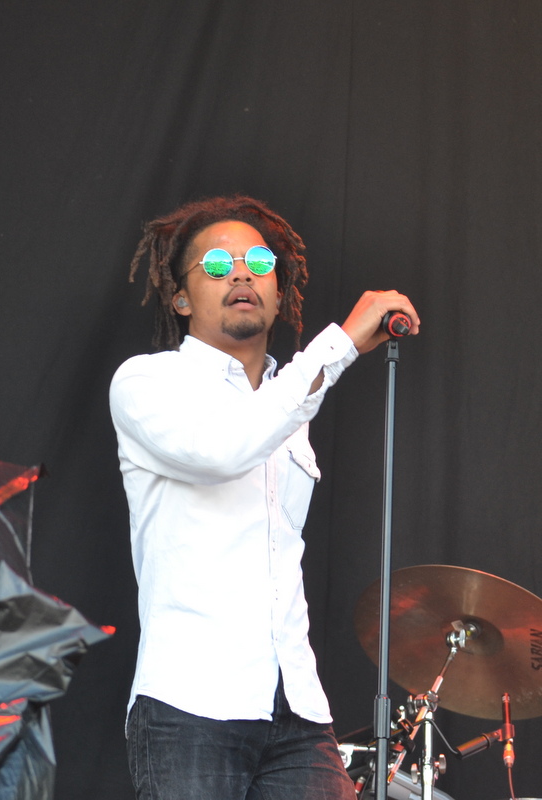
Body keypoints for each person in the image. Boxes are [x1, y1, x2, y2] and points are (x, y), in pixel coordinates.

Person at [109, 195, 420, 800]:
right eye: (217, 265)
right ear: (181, 299)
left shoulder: (289, 404)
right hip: (190, 705)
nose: (241, 274)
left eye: (258, 262)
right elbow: (223, 450)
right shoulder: (148, 382)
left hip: (297, 709)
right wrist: (340, 346)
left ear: (280, 293)